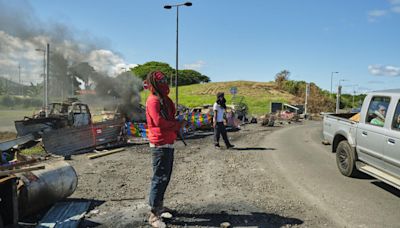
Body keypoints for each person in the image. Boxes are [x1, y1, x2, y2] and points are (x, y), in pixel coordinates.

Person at [145, 71, 186, 227]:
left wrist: (178, 123)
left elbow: (167, 118)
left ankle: (159, 206)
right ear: (154, 83)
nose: (163, 83)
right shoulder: (153, 101)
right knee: (160, 178)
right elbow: (158, 121)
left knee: (165, 177)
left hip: (167, 142)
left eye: (164, 80)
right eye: (160, 80)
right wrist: (177, 125)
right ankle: (154, 214)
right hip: (160, 143)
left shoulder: (163, 100)